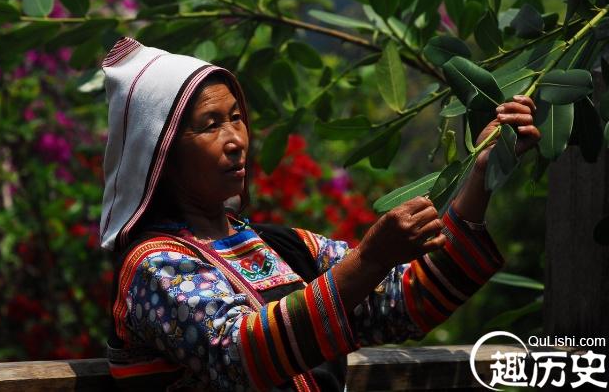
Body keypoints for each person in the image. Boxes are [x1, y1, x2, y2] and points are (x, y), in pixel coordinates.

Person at [99, 37, 540, 391]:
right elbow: (238, 356)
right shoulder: (153, 266)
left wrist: (482, 173)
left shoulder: (281, 247)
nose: (235, 139)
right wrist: (369, 259)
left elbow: (409, 299)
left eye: (236, 117)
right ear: (161, 152)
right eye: (211, 125)